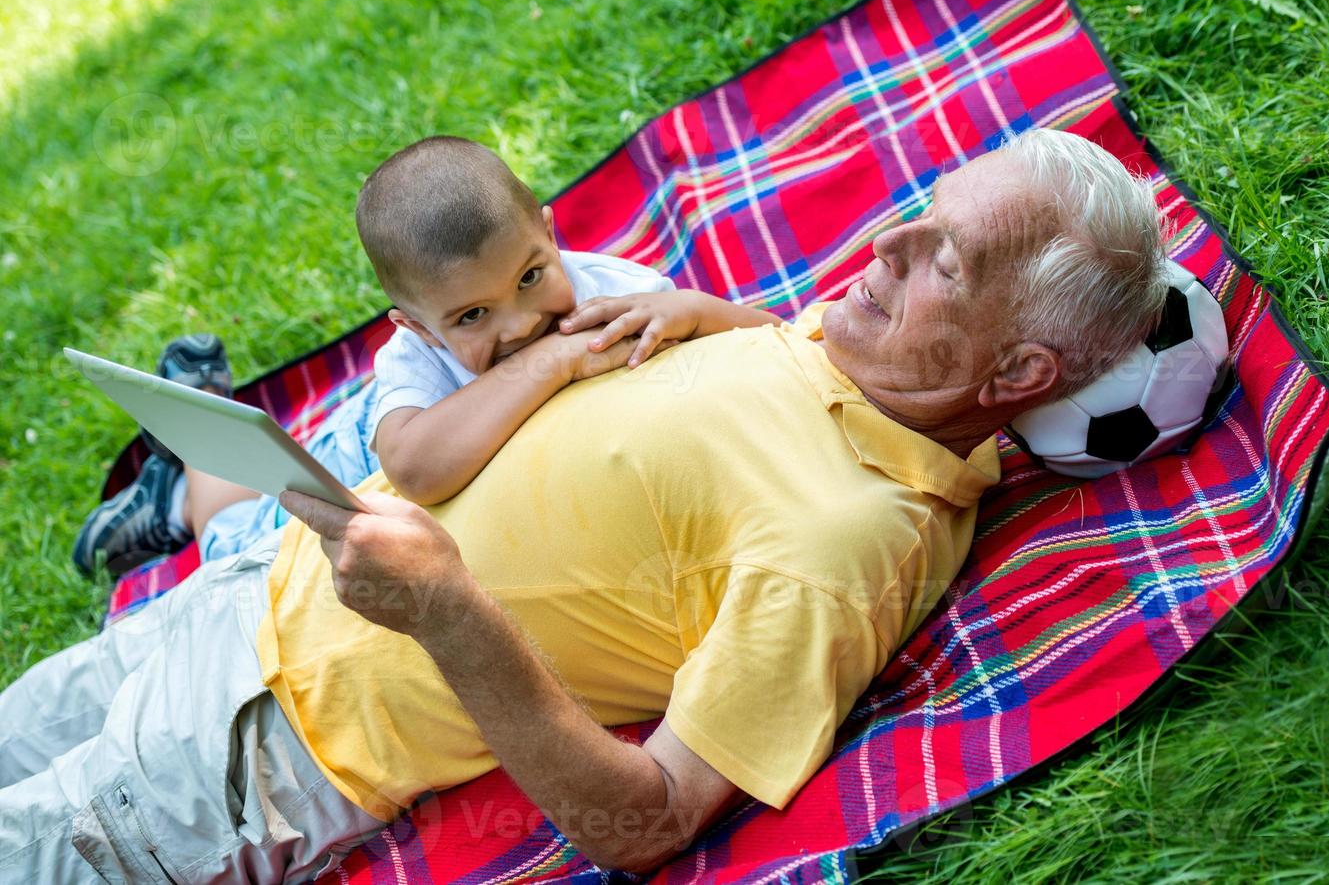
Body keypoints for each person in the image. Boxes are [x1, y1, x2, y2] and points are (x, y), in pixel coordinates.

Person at [1, 127, 1169, 881]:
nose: (880, 243)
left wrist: (445, 605)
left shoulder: (848, 539)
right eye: (913, 211)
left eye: (940, 262)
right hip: (252, 587)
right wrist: (723, 316)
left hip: (268, 743)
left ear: (1015, 379)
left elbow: (649, 818)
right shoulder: (841, 342)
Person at [71, 136, 780, 576]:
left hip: (405, 427)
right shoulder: (412, 363)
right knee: (229, 539)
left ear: (549, 232)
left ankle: (195, 450)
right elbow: (415, 470)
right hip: (354, 466)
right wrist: (553, 365)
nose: (522, 324)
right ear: (416, 326)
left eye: (531, 276)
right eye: (473, 316)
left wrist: (691, 310)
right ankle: (196, 455)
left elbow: (770, 341)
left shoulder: (609, 292)